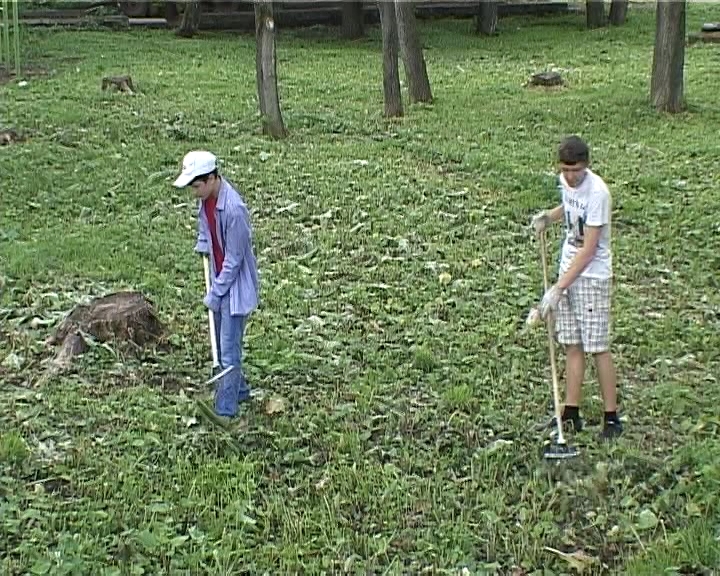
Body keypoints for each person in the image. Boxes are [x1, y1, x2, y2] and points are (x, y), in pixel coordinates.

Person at [531, 135, 623, 440]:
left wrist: (558, 287)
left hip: (591, 276)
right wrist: (550, 217)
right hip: (568, 270)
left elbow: (590, 249)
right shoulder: (565, 181)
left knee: (597, 346)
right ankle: (571, 412)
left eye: (577, 171)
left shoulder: (598, 193)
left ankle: (611, 418)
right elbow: (569, 207)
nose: (571, 177)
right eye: (566, 170)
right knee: (572, 344)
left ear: (587, 166)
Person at [173, 150, 260, 418]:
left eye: (197, 186)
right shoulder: (207, 199)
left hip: (234, 288)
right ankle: (240, 391)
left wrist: (216, 292)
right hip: (220, 281)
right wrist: (203, 242)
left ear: (212, 178)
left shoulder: (234, 210)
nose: (194, 192)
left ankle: (225, 411)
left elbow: (234, 260)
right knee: (224, 345)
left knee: (228, 353)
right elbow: (205, 225)